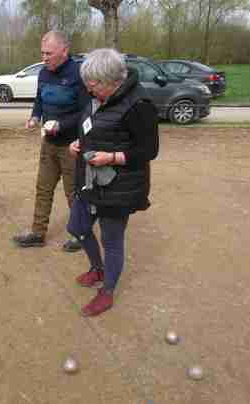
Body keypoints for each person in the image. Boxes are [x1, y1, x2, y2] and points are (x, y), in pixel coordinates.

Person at [68, 48, 159, 316]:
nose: (88, 89)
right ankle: (97, 269)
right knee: (77, 226)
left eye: (93, 84)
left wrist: (112, 157)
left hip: (120, 187)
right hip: (89, 180)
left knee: (112, 241)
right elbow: (92, 126)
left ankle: (107, 292)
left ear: (112, 81)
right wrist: (78, 143)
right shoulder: (96, 96)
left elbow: (149, 150)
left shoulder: (139, 104)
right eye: (87, 84)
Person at [12, 30, 89, 252]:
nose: (44, 58)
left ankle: (80, 234)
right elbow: (39, 100)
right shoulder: (44, 73)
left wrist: (61, 125)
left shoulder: (78, 74)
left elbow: (86, 112)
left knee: (74, 192)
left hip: (72, 146)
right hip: (49, 144)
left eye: (49, 53)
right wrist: (35, 117)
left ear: (64, 51)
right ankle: (38, 233)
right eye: (42, 53)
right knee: (43, 188)